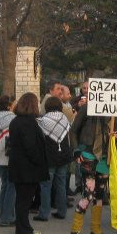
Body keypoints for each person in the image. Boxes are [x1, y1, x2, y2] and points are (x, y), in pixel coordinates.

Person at [7, 93, 49, 234]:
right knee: (24, 201)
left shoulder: (16, 121)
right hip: (27, 168)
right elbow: (30, 146)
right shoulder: (27, 122)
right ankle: (22, 231)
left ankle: (25, 227)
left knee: (22, 200)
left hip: (19, 166)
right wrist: (39, 160)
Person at [37, 96, 71, 226]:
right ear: (60, 106)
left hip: (49, 157)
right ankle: (62, 211)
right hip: (64, 156)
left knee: (46, 186)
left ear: (47, 107)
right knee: (61, 185)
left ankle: (44, 213)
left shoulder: (42, 121)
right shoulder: (64, 119)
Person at [0, 96, 16, 228]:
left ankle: (3, 215)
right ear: (9, 105)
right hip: (9, 156)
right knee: (11, 187)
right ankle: (7, 217)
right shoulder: (12, 117)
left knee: (5, 185)